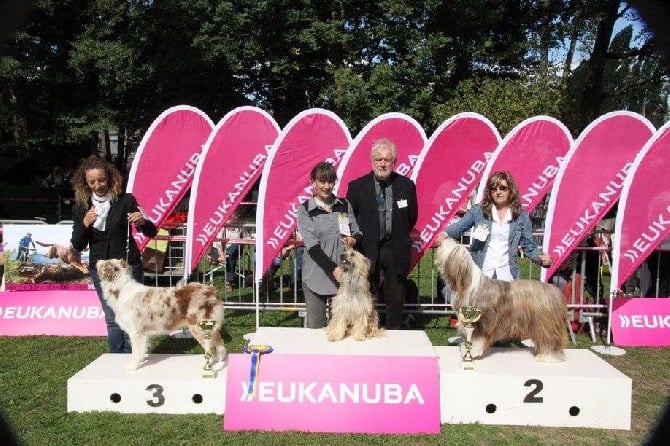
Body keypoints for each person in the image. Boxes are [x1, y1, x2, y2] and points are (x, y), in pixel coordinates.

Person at [70, 155, 157, 353]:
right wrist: (85, 223)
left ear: (110, 178)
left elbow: (151, 232)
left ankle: (135, 356)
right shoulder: (80, 208)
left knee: (132, 315)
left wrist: (142, 221)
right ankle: (116, 359)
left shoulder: (125, 200)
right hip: (100, 270)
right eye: (92, 182)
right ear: (85, 182)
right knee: (112, 317)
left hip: (127, 266)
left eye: (101, 180)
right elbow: (77, 244)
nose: (98, 185)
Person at [346, 138, 418, 329]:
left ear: (394, 162)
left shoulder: (406, 185)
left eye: (387, 159)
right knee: (365, 292)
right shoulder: (357, 186)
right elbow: (349, 217)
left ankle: (393, 333)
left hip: (395, 248)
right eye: (379, 159)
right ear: (372, 161)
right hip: (367, 248)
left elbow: (412, 217)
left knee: (395, 296)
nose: (383, 163)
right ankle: (363, 329)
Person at [436, 170, 552, 280]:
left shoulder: (521, 216)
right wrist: (444, 234)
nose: (498, 192)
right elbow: (459, 227)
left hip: (508, 276)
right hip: (480, 274)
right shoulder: (478, 211)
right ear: (489, 192)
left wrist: (541, 259)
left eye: (503, 188)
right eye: (493, 189)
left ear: (510, 190)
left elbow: (529, 247)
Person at [298, 161, 362, 328]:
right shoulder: (305, 210)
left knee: (342, 326)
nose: (326, 186)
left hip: (344, 276)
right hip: (316, 276)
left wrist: (353, 239)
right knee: (316, 327)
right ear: (313, 182)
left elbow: (356, 231)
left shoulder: (344, 205)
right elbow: (312, 246)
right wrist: (334, 269)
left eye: (330, 182)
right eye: (322, 181)